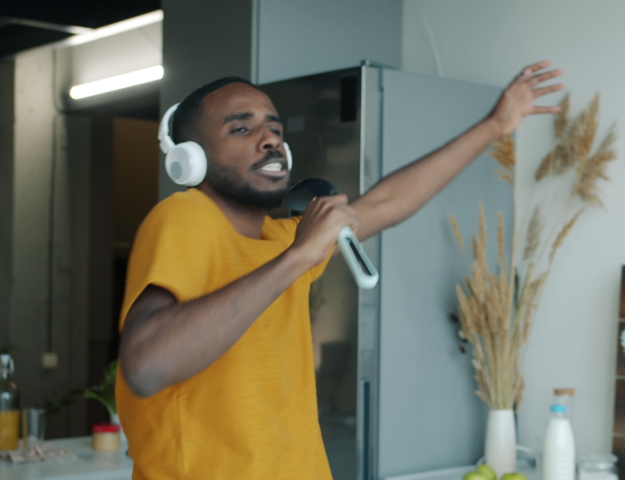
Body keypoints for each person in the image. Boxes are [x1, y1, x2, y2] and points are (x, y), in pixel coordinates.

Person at [116, 61, 563, 479]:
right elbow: (147, 365)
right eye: (241, 128)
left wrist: (496, 126)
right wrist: (298, 258)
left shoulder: (281, 238)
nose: (270, 139)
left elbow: (388, 202)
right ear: (190, 158)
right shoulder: (184, 216)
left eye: (275, 128)